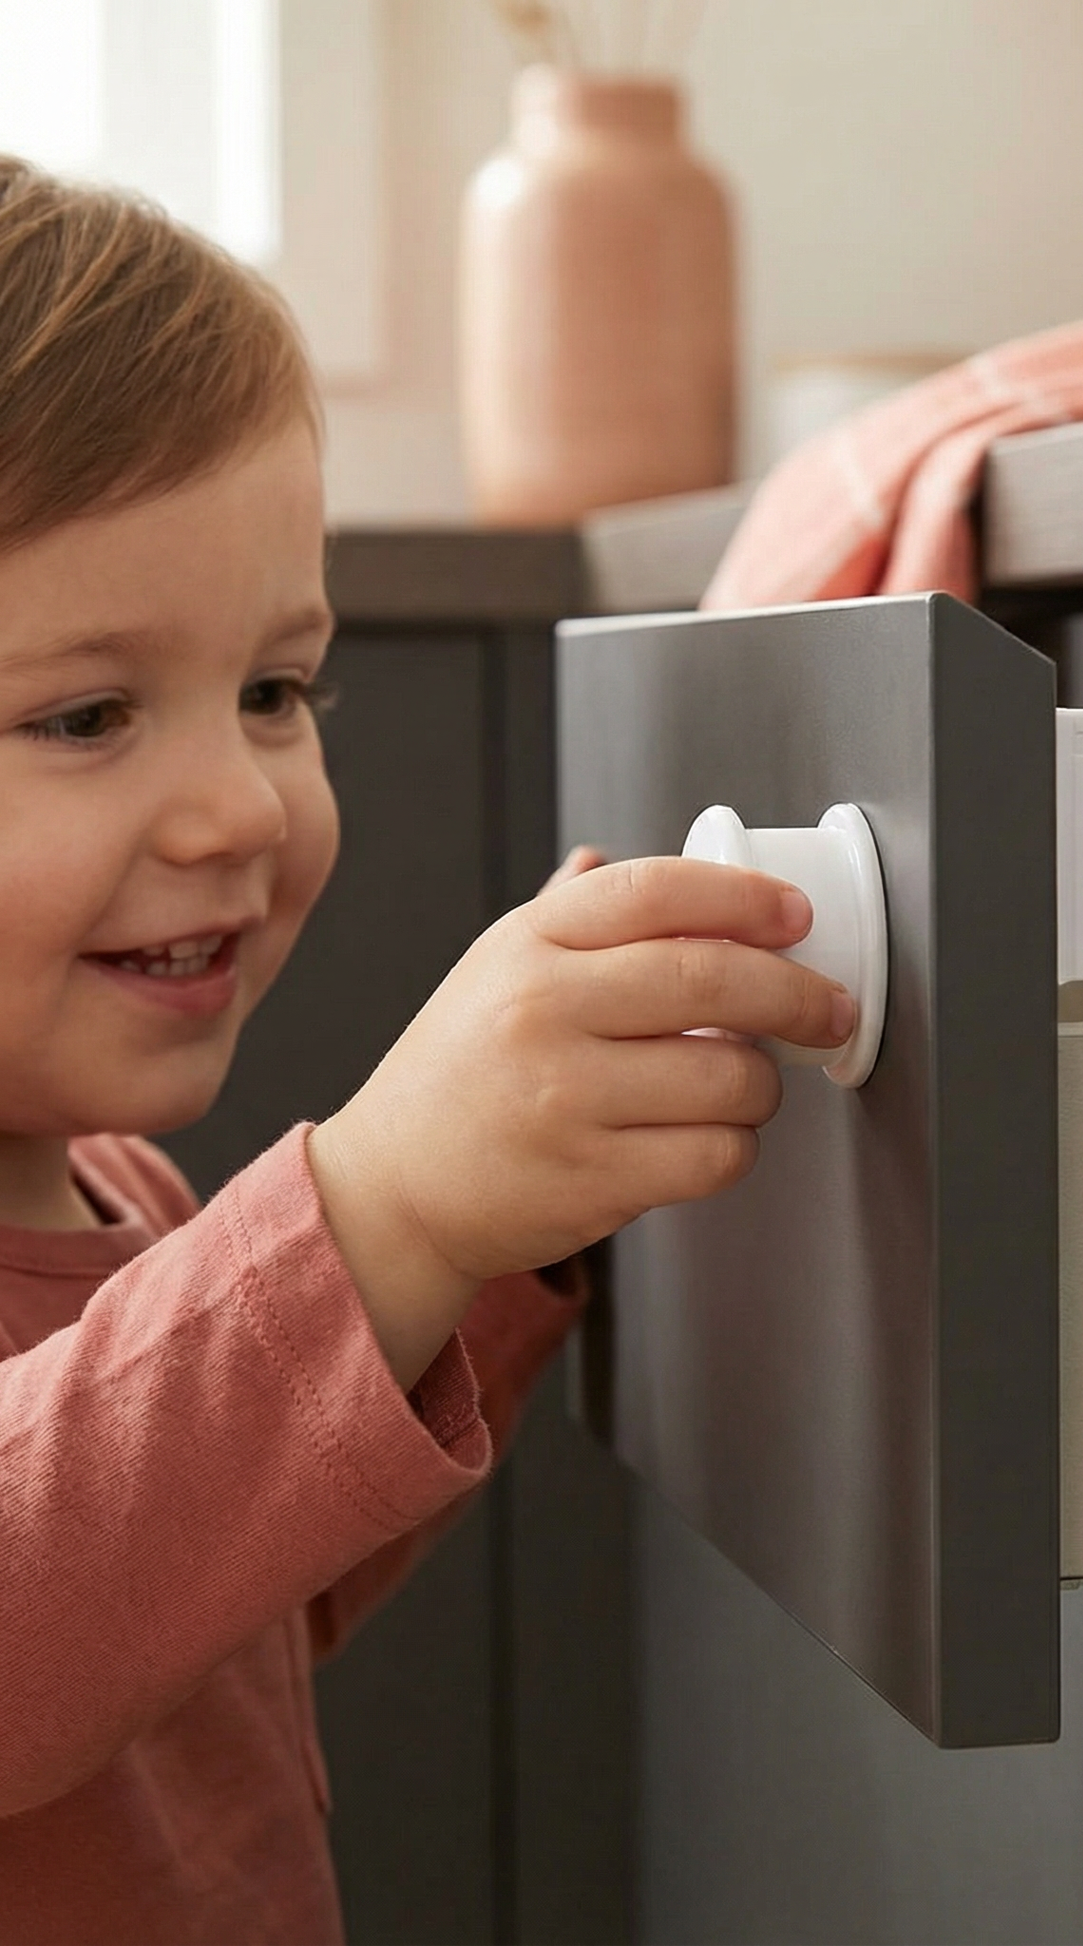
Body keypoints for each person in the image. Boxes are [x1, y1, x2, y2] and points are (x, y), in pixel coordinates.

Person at [0, 158, 851, 1940]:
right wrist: (378, 1205)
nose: (238, 803)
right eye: (86, 715)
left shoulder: (117, 1194)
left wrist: (496, 1225)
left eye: (275, 690)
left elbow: (215, 1585)